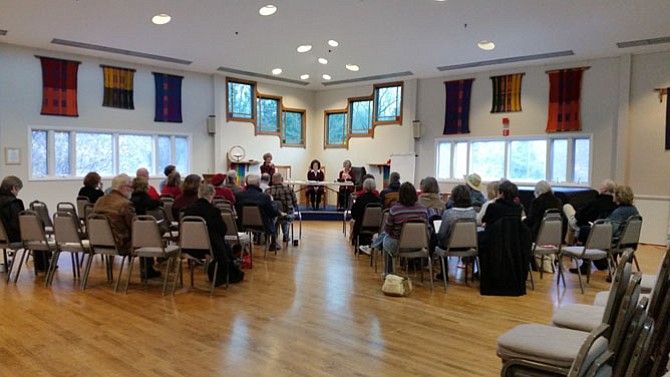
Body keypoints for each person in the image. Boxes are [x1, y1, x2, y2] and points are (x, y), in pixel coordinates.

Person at [94, 174, 161, 278]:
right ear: (122, 187)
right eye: (130, 187)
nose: (132, 190)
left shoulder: (99, 201)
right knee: (150, 234)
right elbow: (134, 227)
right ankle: (148, 269)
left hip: (98, 241)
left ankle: (149, 269)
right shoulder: (124, 204)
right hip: (121, 243)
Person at [183, 183, 243, 286]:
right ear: (211, 195)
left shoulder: (188, 210)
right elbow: (222, 230)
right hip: (208, 248)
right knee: (222, 243)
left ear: (199, 194)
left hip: (188, 247)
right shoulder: (213, 211)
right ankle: (229, 269)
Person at [369, 182, 427, 275]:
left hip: (398, 246)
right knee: (386, 237)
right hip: (419, 246)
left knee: (385, 238)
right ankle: (375, 245)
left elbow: (387, 229)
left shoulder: (395, 209)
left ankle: (388, 272)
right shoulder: (423, 210)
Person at [563, 179, 617, 274]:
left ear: (604, 190)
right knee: (572, 226)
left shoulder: (596, 202)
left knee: (567, 208)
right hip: (602, 231)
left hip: (586, 227)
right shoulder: (615, 205)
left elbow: (580, 216)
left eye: (601, 187)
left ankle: (569, 245)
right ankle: (571, 244)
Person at [435, 185, 477, 280]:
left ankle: (444, 273)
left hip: (448, 246)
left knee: (438, 242)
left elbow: (442, 234)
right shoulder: (473, 213)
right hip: (468, 246)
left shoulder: (449, 214)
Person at [235, 173, 279, 249]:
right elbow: (272, 213)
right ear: (258, 184)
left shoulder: (238, 195)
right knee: (275, 217)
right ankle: (273, 243)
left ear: (247, 183)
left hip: (242, 224)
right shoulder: (264, 196)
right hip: (262, 225)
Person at [0, 176, 25, 269]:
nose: (17, 194)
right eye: (17, 190)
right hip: (12, 238)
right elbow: (18, 225)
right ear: (14, 188)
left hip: (1, 237)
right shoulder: (14, 203)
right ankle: (42, 266)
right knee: (36, 234)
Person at [265, 172, 297, 243]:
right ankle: (285, 234)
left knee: (275, 214)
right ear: (282, 179)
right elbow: (295, 203)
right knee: (288, 211)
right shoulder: (289, 189)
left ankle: (274, 237)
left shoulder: (267, 191)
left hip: (272, 216)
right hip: (286, 215)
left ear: (272, 180)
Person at [351, 178, 383, 247]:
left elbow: (354, 214)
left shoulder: (360, 199)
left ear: (364, 187)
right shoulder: (379, 200)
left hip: (361, 226)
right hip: (376, 226)